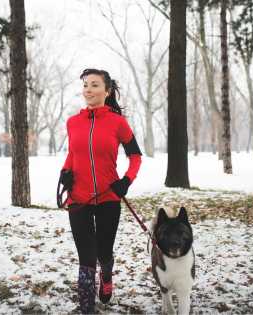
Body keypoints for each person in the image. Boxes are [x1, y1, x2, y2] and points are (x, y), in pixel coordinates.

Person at [58, 68, 143, 313]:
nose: (88, 90)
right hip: (78, 198)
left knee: (103, 251)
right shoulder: (73, 122)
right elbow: (73, 154)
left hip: (108, 197)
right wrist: (66, 172)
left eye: (95, 85)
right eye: (85, 85)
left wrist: (126, 181)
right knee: (86, 256)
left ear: (107, 91)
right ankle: (86, 307)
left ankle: (106, 275)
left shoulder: (118, 123)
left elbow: (135, 156)